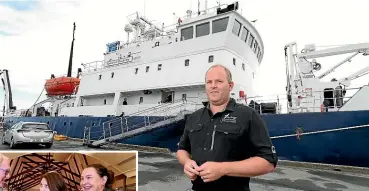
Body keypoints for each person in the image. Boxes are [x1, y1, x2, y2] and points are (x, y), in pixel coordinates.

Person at [176, 64, 278, 191]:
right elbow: (182, 149)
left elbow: (268, 161)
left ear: (230, 86)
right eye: (209, 82)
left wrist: (222, 169)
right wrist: (186, 162)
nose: (213, 85)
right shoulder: (194, 117)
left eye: (219, 81)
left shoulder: (248, 115)